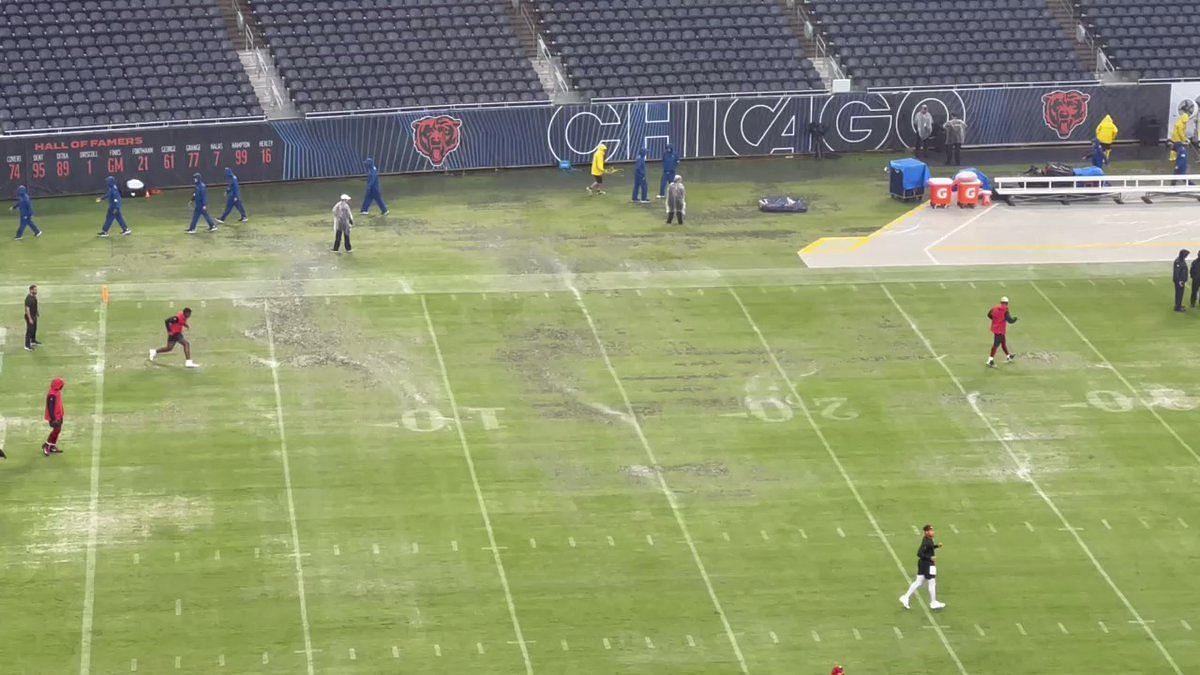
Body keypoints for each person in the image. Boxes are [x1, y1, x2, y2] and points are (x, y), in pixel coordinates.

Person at [899, 524, 945, 610]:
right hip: (927, 564)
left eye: (932, 530)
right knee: (932, 581)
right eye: (931, 530)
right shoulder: (926, 541)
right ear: (926, 532)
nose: (932, 532)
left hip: (924, 564)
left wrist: (937, 546)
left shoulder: (928, 540)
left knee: (918, 582)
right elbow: (919, 553)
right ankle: (933, 602)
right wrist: (930, 557)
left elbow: (929, 548)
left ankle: (905, 597)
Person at [986, 296, 1018, 367]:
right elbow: (1010, 320)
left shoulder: (994, 308)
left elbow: (989, 315)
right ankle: (990, 360)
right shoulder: (1005, 310)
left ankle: (1008, 356)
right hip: (1000, 330)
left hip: (995, 328)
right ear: (1007, 303)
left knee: (1003, 343)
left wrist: (995, 320)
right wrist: (1015, 319)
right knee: (996, 345)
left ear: (1001, 302)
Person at [43, 378, 66, 456]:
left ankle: (52, 446)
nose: (62, 386)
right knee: (56, 430)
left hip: (59, 415)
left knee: (57, 430)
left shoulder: (57, 392)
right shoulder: (52, 394)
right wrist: (53, 418)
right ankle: (46, 445)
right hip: (55, 417)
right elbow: (50, 407)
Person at [1171, 100, 1192, 179]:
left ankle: (1173, 158)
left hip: (1176, 138)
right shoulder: (1181, 123)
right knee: (1179, 149)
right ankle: (1175, 160)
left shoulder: (1181, 121)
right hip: (1178, 139)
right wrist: (1185, 139)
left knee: (1175, 148)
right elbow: (1180, 132)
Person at [24, 284, 39, 351]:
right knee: (29, 331)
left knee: (34, 329)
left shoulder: (34, 297)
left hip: (34, 316)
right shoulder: (28, 298)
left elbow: (35, 306)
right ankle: (27, 346)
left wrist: (37, 312)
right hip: (30, 317)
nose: (36, 291)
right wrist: (30, 318)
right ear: (31, 290)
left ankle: (33, 341)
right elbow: (27, 309)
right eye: (35, 289)